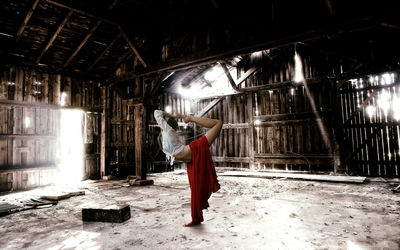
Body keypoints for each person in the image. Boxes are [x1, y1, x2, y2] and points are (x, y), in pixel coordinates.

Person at [154, 109, 222, 226]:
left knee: (218, 123)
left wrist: (173, 116)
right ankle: (196, 218)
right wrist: (172, 116)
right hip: (191, 157)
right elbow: (157, 113)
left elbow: (156, 113)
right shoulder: (166, 133)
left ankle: (190, 118)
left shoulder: (167, 131)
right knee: (195, 188)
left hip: (194, 150)